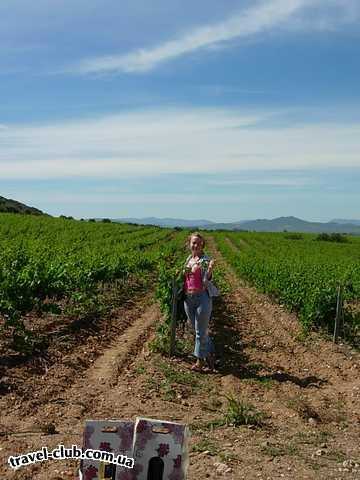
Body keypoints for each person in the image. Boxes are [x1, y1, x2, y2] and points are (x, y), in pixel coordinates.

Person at [182, 232, 217, 373]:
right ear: (189, 244)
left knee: (199, 332)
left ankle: (199, 362)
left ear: (203, 245)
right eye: (194, 242)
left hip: (202, 297)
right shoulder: (189, 259)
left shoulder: (205, 260)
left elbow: (206, 279)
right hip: (188, 299)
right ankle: (210, 353)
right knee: (196, 329)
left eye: (199, 243)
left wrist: (209, 270)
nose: (196, 245)